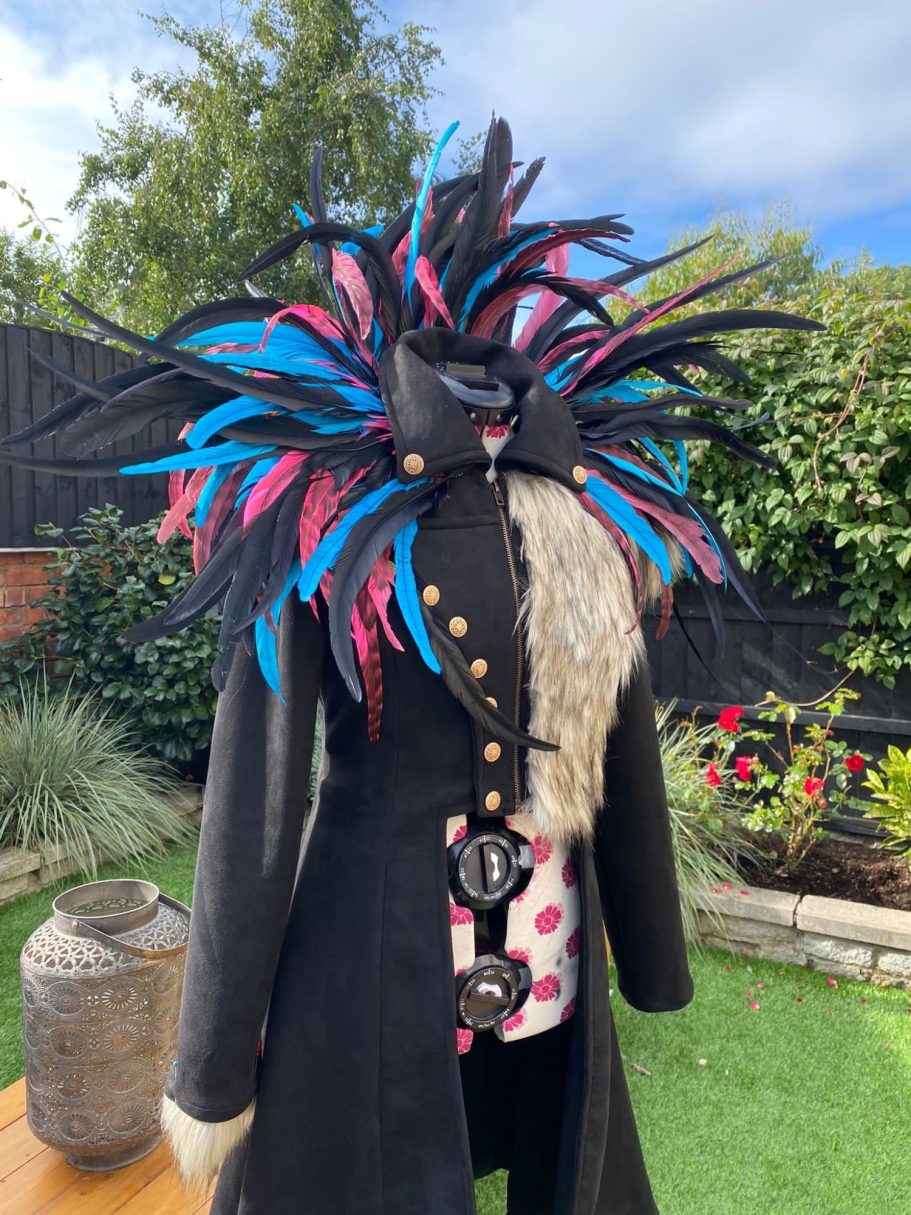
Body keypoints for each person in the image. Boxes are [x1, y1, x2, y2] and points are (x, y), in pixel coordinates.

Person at [0, 112, 824, 1214]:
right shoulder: (316, 487)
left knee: (556, 1160)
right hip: (371, 936)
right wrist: (212, 1066)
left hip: (548, 931)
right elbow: (256, 788)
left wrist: (647, 950)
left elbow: (622, 746)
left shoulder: (591, 505)